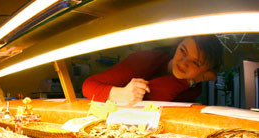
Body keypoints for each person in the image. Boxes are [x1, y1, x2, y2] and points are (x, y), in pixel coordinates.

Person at [82, 35, 224, 105]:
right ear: (177, 45)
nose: (183, 62)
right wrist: (120, 94)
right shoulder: (145, 60)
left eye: (196, 62)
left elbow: (152, 100)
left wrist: (192, 81)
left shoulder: (194, 88)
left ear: (206, 71)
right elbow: (87, 86)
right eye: (183, 50)